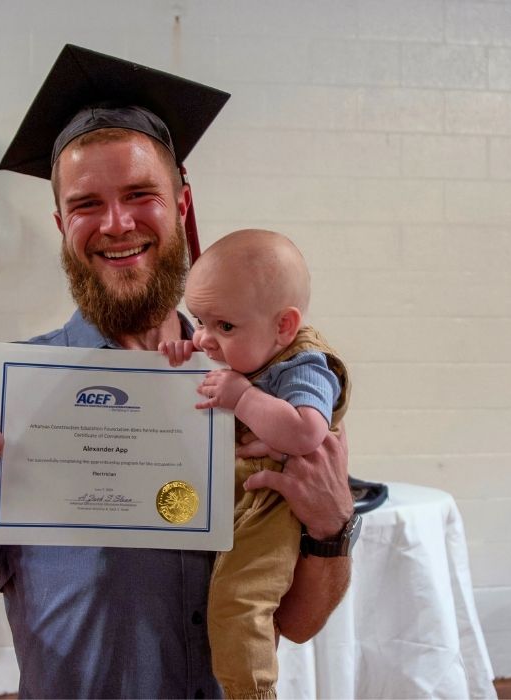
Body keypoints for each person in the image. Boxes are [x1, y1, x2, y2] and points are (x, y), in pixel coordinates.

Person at [0, 45, 356, 699]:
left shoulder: (262, 390)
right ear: (61, 225)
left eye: (140, 195)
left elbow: (298, 624)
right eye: (86, 205)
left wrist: (332, 529)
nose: (117, 223)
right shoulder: (2, 392)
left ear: (181, 207)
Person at [160, 229, 354, 699]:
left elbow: (307, 433)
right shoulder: (252, 344)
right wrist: (189, 355)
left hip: (272, 504)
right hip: (232, 496)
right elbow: (216, 359)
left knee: (239, 599)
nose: (205, 336)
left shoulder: (303, 365)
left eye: (223, 327)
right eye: (198, 320)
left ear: (284, 326)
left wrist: (243, 396)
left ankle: (253, 692)